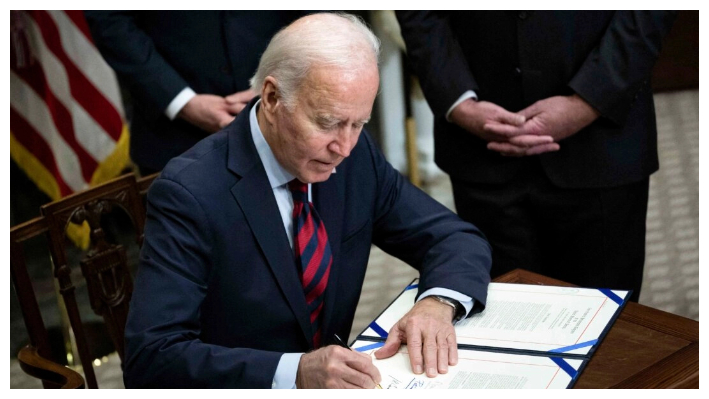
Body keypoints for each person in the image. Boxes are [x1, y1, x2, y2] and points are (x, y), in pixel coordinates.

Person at [123, 13, 491, 388]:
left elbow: (454, 238)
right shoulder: (190, 192)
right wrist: (294, 372)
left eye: (358, 123)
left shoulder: (354, 155)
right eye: (328, 122)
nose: (344, 147)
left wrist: (435, 305)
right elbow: (152, 357)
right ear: (271, 98)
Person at [396, 11, 677, 302]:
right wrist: (458, 101)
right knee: (501, 320)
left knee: (608, 325)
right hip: (478, 145)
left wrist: (588, 100)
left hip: (601, 142)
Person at [84, 11, 307, 174]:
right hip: (175, 141)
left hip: (291, 126)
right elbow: (110, 18)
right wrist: (181, 101)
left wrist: (283, 83)